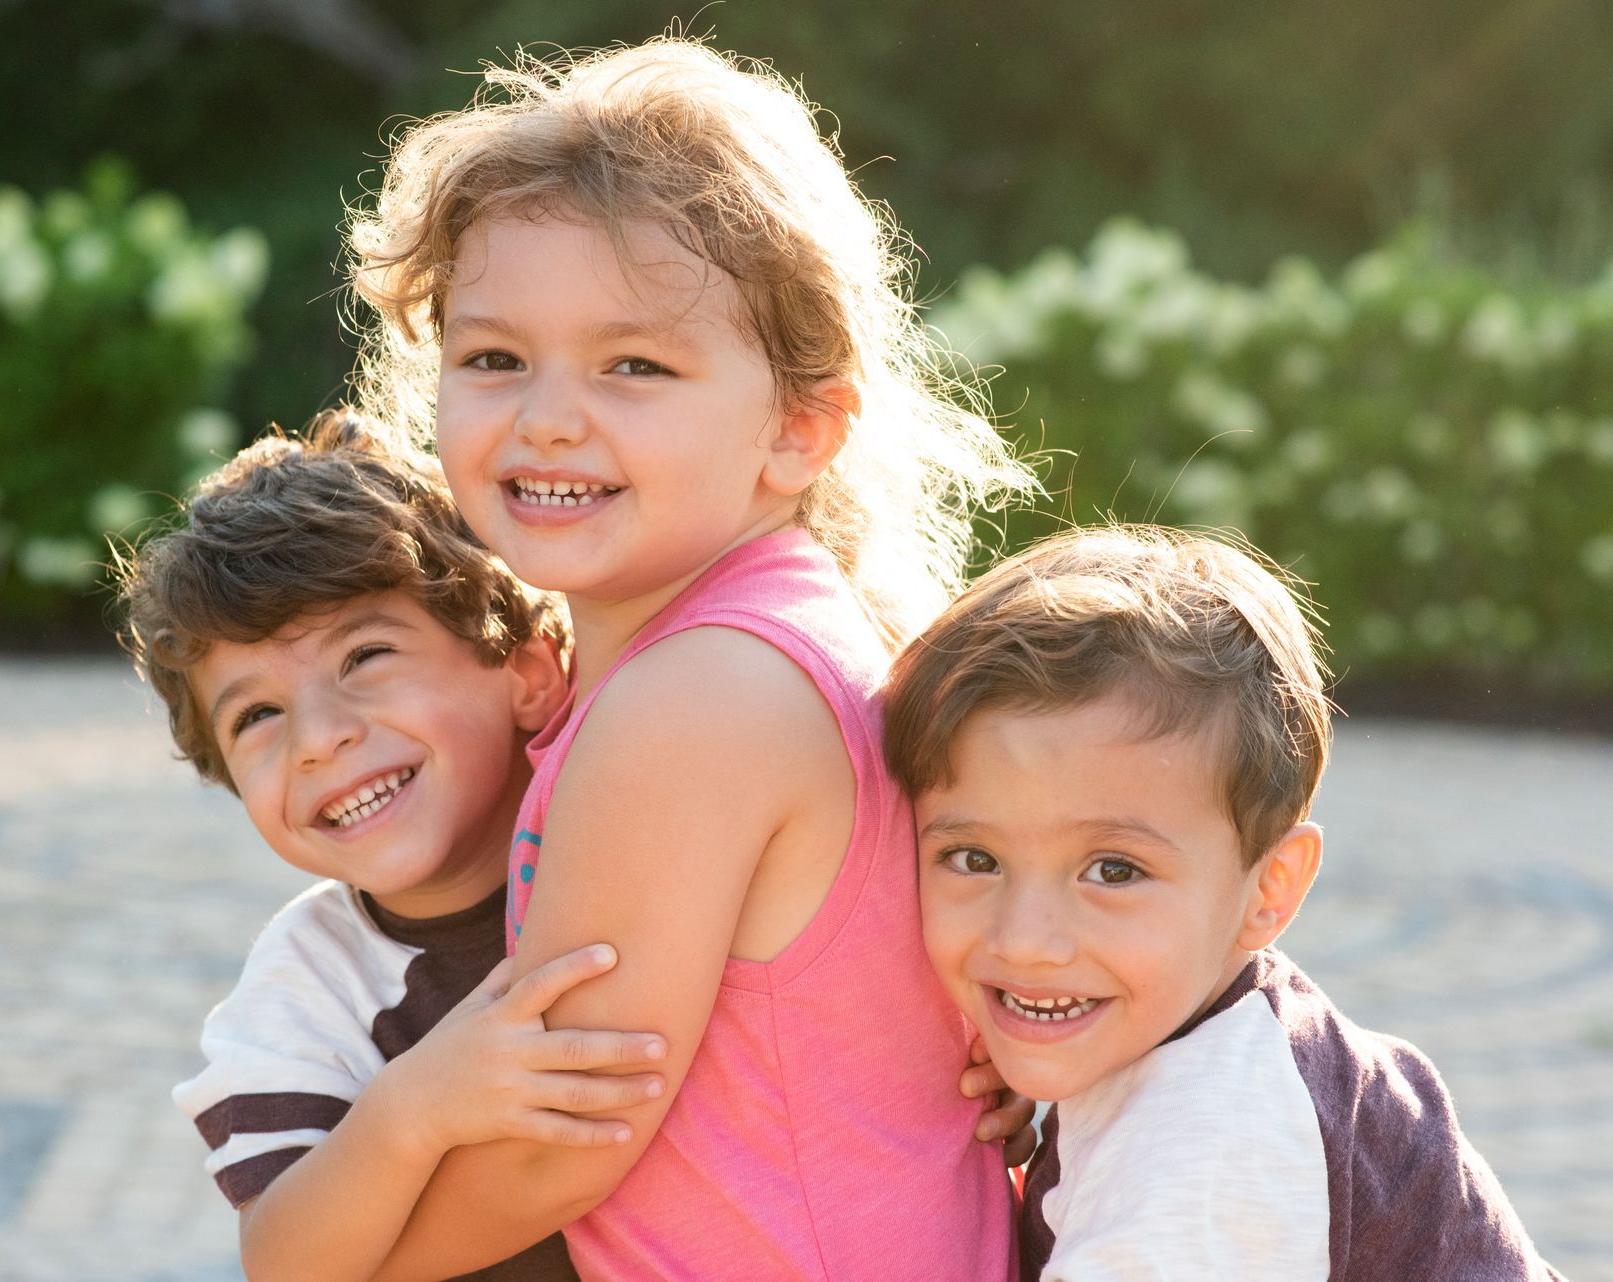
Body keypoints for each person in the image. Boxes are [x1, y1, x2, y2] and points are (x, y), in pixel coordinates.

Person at [307, 36, 1037, 1282]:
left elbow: (567, 1138)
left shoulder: (700, 699)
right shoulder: (759, 633)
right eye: (494, 357)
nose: (546, 415)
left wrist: (334, 1258)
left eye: (634, 364)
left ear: (798, 428)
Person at [883, 524, 1563, 1281]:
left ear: (1269, 889)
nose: (1027, 941)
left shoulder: (1207, 1147)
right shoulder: (1207, 1034)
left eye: (1113, 871)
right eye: (974, 859)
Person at [116, 410, 674, 1282]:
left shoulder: (655, 833)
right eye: (257, 715)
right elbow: (282, 1262)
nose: (317, 738)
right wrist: (410, 1111)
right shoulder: (312, 983)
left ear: (528, 670)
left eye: (365, 656)